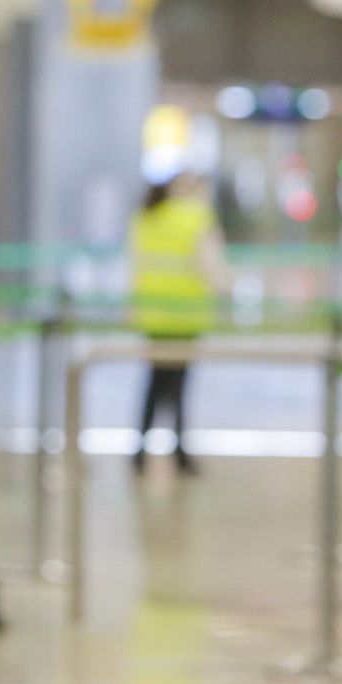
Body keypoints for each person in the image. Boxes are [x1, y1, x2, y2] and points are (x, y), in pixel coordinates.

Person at [129, 173, 225, 476]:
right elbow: (213, 268)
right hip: (185, 316)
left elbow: (134, 263)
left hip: (153, 314)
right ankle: (179, 451)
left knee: (155, 382)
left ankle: (142, 450)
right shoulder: (196, 218)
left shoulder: (146, 216)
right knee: (177, 385)